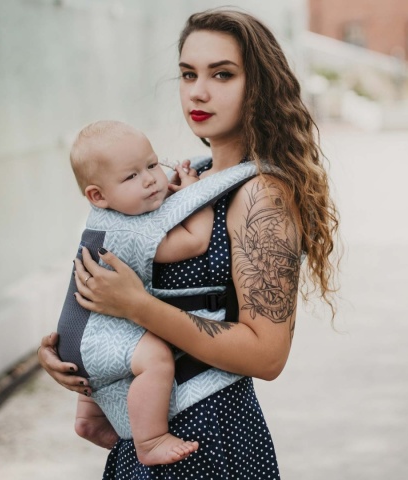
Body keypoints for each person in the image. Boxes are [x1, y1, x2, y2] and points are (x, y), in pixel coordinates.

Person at [39, 8, 339, 479]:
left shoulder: (261, 194)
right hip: (144, 434)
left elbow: (268, 355)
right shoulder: (184, 180)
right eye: (187, 74)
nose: (198, 91)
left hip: (209, 433)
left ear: (259, 86)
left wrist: (137, 307)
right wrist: (80, 356)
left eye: (222, 74)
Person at [64, 119, 219, 465]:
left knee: (105, 370)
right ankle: (150, 439)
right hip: (95, 339)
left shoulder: (105, 217)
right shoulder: (128, 232)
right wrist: (196, 195)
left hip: (77, 332)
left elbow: (156, 212)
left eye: (151, 165)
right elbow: (194, 241)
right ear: (98, 195)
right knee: (157, 358)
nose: (150, 179)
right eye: (131, 176)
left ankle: (89, 419)